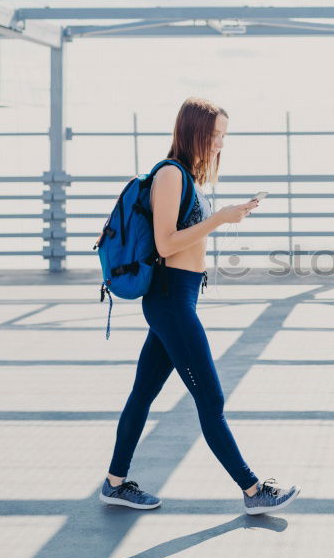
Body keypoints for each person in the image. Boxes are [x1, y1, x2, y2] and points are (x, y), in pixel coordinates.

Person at [99, 97, 300, 516]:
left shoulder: (187, 177)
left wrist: (226, 215)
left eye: (224, 137)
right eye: (214, 135)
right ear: (192, 131)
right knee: (211, 399)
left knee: (142, 394)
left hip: (175, 299)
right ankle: (252, 489)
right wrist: (220, 219)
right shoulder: (172, 175)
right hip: (171, 301)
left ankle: (115, 483)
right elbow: (166, 243)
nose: (219, 144)